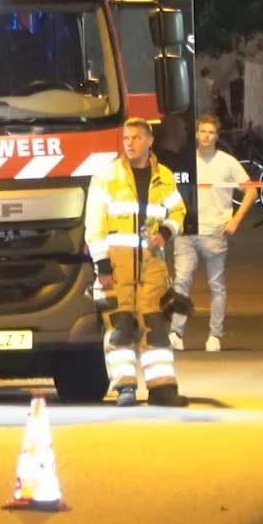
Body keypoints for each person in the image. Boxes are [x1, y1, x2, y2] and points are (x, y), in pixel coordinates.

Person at [85, 117, 186, 407]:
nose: (130, 144)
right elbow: (94, 224)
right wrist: (102, 265)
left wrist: (166, 231)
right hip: (116, 268)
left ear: (149, 141)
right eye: (126, 139)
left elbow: (178, 212)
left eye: (136, 138)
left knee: (156, 327)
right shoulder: (107, 177)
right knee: (120, 327)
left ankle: (162, 388)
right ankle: (125, 387)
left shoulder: (164, 176)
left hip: (152, 267)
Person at [171, 115, 250, 352]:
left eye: (211, 132)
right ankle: (176, 332)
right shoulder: (185, 161)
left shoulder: (228, 162)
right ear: (196, 134)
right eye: (203, 131)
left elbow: (251, 191)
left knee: (216, 285)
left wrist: (235, 219)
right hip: (186, 230)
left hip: (215, 231)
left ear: (217, 136)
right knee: (181, 282)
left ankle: (215, 334)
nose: (207, 136)